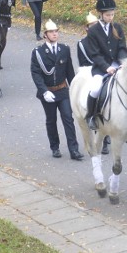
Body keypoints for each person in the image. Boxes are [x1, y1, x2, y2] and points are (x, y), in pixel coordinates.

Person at [30, 19, 84, 160]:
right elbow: (36, 73)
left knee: (68, 118)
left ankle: (74, 150)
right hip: (48, 92)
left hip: (62, 90)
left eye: (56, 31)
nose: (55, 34)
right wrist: (44, 91)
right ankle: (55, 147)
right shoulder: (38, 52)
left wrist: (75, 90)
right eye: (51, 32)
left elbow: (69, 72)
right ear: (45, 35)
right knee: (51, 120)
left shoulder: (64, 49)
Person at [83, 0, 127, 131]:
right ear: (101, 15)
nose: (110, 17)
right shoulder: (93, 31)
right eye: (108, 15)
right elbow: (94, 54)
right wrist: (106, 67)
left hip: (117, 65)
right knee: (96, 88)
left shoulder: (118, 27)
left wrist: (122, 62)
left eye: (112, 14)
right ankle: (91, 116)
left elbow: (122, 47)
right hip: (101, 68)